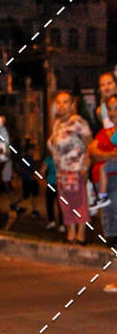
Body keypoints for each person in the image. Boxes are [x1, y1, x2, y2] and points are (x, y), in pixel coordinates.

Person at [48, 90, 92, 245]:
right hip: (61, 172)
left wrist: (86, 166)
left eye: (65, 102)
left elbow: (89, 143)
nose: (61, 106)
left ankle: (80, 235)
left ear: (72, 104)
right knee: (65, 205)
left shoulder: (77, 122)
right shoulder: (57, 124)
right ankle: (70, 234)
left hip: (76, 170)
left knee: (79, 203)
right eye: (59, 102)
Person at [89, 93, 117, 250]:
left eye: (116, 109)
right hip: (103, 178)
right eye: (110, 109)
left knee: (114, 203)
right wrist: (110, 155)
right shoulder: (104, 132)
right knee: (108, 206)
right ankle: (111, 236)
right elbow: (92, 152)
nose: (113, 113)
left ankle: (113, 235)